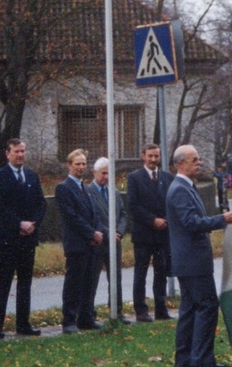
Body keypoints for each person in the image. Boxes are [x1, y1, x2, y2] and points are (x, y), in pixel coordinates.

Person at [167, 144, 232, 367]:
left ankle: (185, 358)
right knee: (207, 306)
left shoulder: (185, 187)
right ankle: (201, 359)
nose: (199, 163)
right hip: (193, 260)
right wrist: (221, 220)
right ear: (180, 164)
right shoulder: (180, 189)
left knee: (189, 309)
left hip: (189, 260)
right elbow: (191, 223)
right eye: (194, 159)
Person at [0, 138, 46, 338]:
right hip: (8, 238)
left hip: (28, 238)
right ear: (8, 153)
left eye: (23, 151)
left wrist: (32, 224)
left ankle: (23, 324)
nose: (20, 155)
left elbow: (41, 204)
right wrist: (18, 224)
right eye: (16, 151)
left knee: (25, 283)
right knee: (2, 282)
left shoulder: (31, 175)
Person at [55, 149, 104, 334]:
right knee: (74, 284)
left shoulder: (86, 188)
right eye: (77, 164)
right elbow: (72, 217)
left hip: (92, 243)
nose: (81, 167)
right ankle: (69, 320)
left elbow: (94, 213)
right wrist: (91, 233)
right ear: (69, 165)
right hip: (77, 244)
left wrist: (97, 231)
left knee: (89, 283)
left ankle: (86, 318)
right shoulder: (64, 188)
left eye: (84, 164)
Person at [127, 143, 174, 322]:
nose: (154, 160)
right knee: (141, 272)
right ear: (143, 156)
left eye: (156, 156)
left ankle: (161, 309)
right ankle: (141, 311)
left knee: (161, 272)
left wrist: (165, 221)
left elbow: (171, 202)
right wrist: (152, 220)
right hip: (144, 234)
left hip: (163, 234)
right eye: (150, 156)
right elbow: (133, 205)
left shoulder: (167, 177)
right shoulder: (134, 178)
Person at [88, 156, 130, 322]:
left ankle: (117, 311)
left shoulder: (114, 192)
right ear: (95, 173)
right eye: (103, 173)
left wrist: (119, 232)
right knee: (92, 279)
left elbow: (123, 214)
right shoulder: (88, 191)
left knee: (116, 278)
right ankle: (90, 313)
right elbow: (93, 217)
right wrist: (108, 233)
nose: (106, 176)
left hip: (115, 242)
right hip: (98, 242)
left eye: (109, 173)